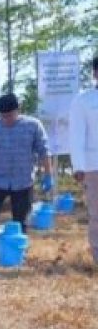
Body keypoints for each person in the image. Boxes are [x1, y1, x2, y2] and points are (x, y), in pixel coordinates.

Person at [0, 92, 53, 232]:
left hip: (24, 182)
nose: (6, 119)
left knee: (21, 223)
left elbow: (44, 151)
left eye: (9, 115)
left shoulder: (33, 126)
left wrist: (48, 175)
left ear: (18, 110)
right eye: (3, 116)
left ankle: (17, 246)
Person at [69, 55, 98, 263]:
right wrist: (78, 166)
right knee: (96, 213)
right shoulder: (83, 100)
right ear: (95, 73)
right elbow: (76, 135)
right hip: (93, 165)